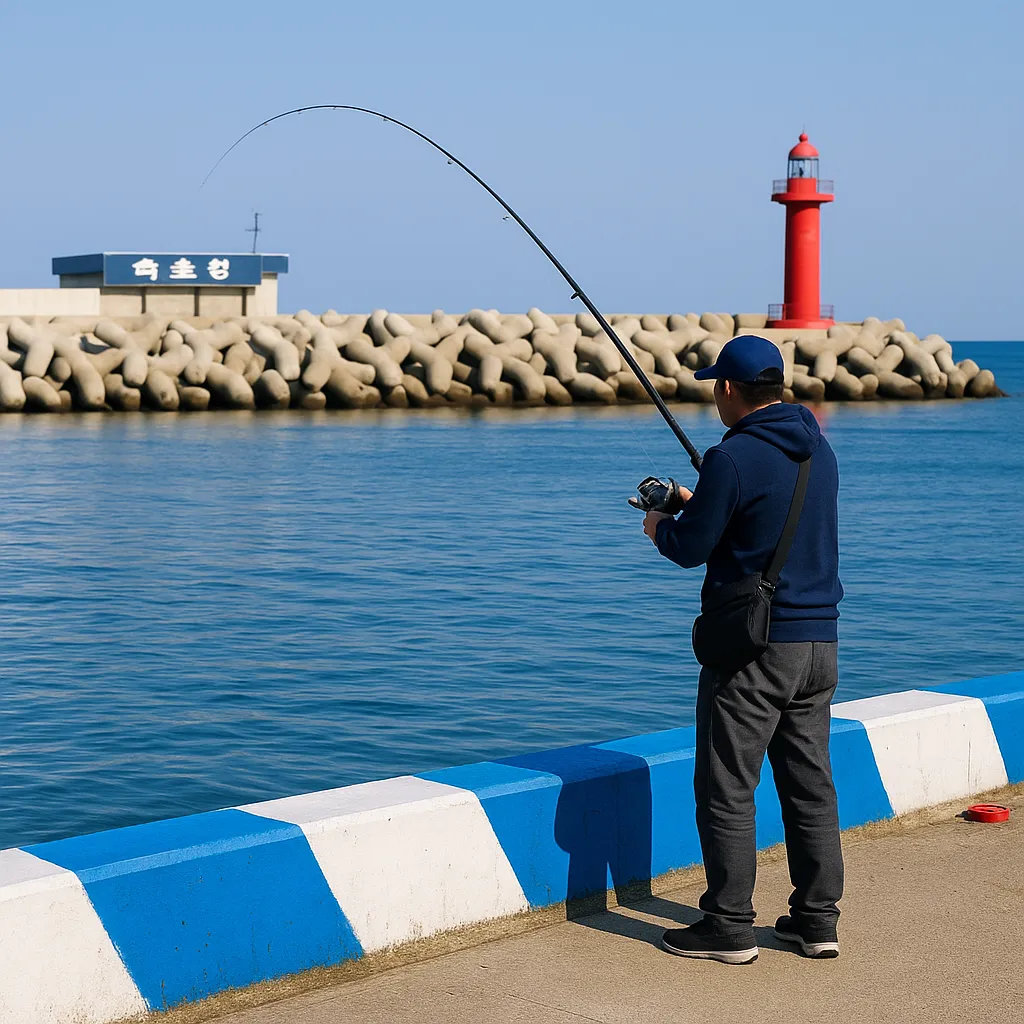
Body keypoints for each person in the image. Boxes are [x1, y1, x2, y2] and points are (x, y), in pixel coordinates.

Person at [642, 334, 844, 966]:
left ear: (729, 389)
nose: (715, 401)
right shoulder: (820, 450)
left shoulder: (730, 458)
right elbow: (765, 516)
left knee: (726, 784)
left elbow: (690, 547)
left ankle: (728, 925)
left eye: (716, 390)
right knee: (810, 784)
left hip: (756, 650)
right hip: (819, 644)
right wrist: (694, 500)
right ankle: (816, 921)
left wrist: (659, 523)